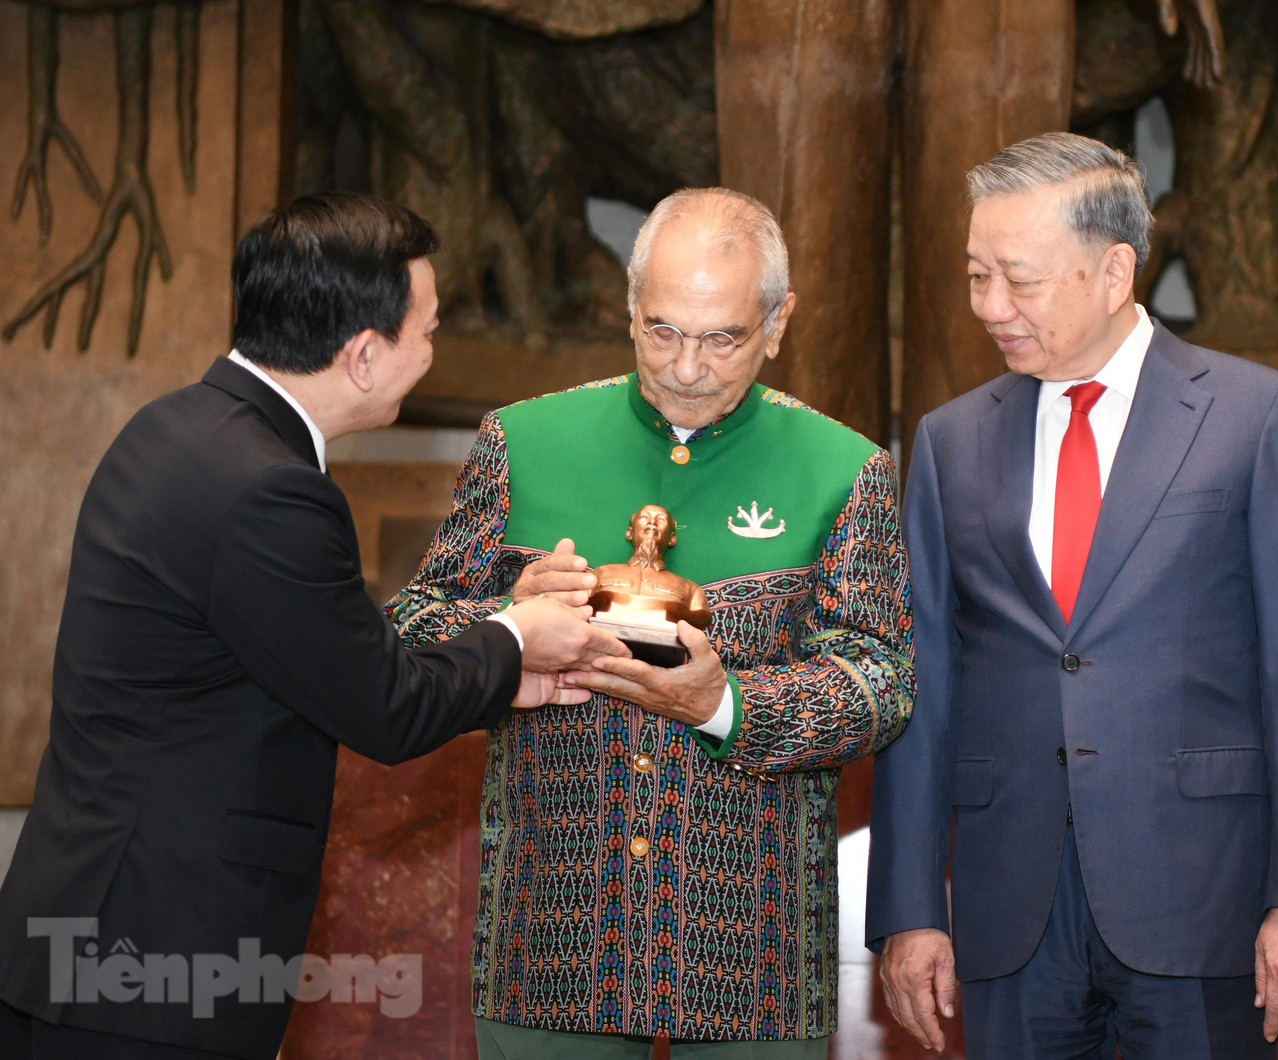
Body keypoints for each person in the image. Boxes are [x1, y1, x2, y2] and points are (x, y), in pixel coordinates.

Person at [0, 192, 624, 1060]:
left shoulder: (174, 427)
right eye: (430, 332)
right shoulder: (272, 490)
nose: (433, 354)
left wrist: (495, 639)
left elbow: (317, 648)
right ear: (364, 354)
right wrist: (520, 637)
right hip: (155, 964)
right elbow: (383, 707)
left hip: (83, 925)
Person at [388, 187, 914, 1058]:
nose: (686, 367)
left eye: (723, 338)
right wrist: (509, 620)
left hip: (751, 947)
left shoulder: (843, 469)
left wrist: (727, 705)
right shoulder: (521, 442)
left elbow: (883, 683)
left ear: (778, 325)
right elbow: (409, 629)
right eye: (661, 330)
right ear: (630, 311)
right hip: (552, 932)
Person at [867, 132, 1278, 1058]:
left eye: (1019, 279)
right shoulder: (949, 441)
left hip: (1205, 898)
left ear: (1114, 269)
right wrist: (910, 910)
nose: (990, 307)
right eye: (975, 277)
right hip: (1011, 910)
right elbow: (922, 687)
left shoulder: (1253, 416)